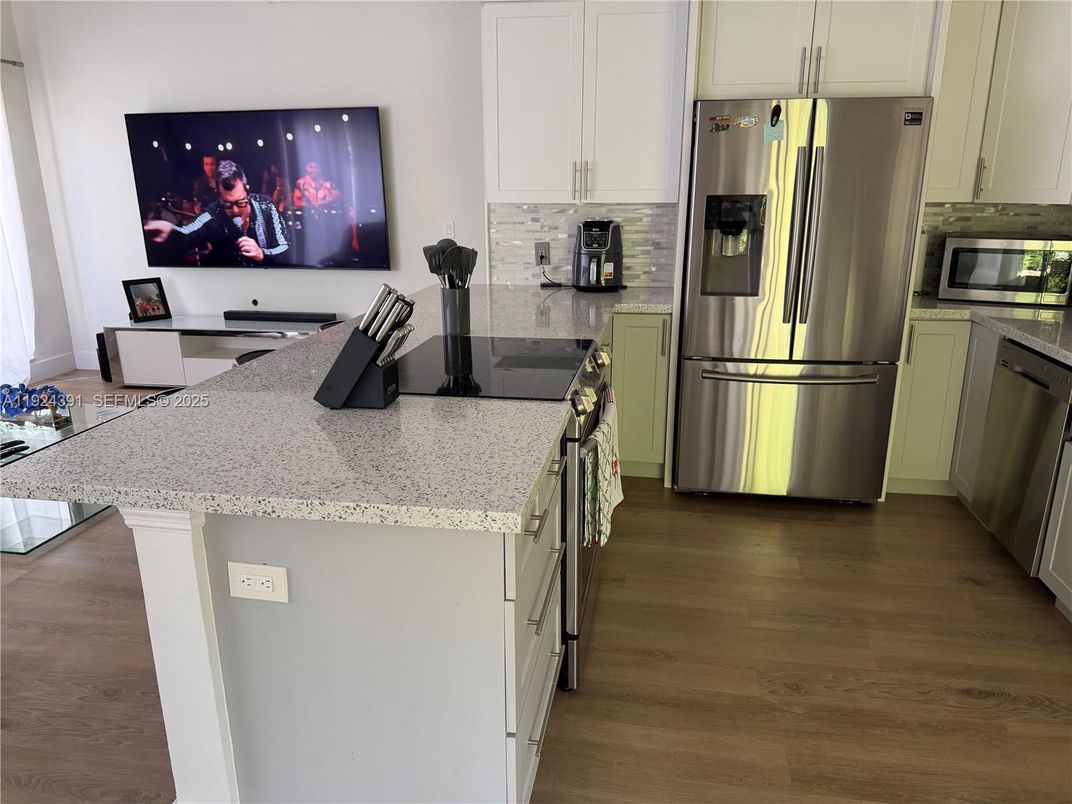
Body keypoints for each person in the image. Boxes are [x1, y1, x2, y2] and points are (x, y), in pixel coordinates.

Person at [144, 160, 290, 266]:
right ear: (219, 196)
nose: (235, 210)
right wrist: (171, 231)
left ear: (247, 190)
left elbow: (285, 248)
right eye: (227, 204)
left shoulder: (266, 205)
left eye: (241, 202)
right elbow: (186, 233)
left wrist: (261, 253)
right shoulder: (212, 214)